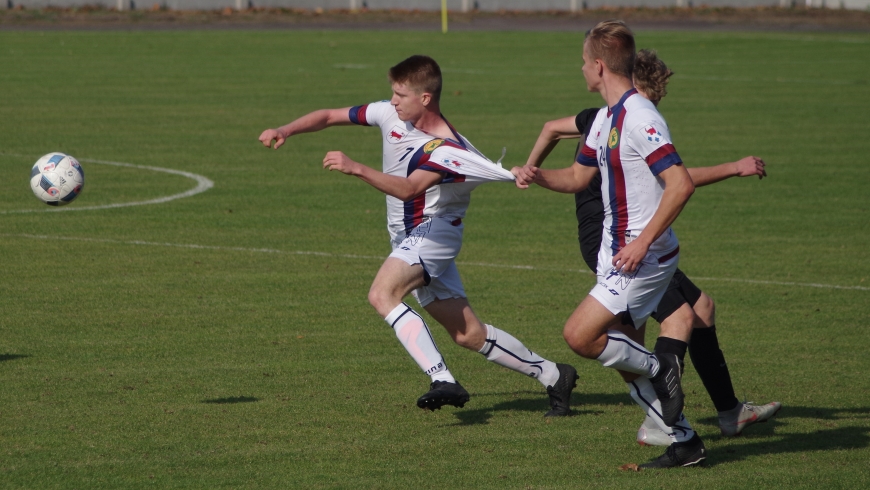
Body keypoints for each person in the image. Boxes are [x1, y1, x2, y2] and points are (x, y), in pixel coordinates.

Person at [259, 55, 578, 417]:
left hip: (434, 233)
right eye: (392, 93)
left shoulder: (448, 149)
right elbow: (330, 115)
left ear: (424, 98)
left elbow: (409, 189)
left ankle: (442, 379)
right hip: (407, 238)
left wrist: (357, 168)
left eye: (400, 95)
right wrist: (285, 129)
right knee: (467, 334)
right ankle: (554, 375)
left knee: (383, 293)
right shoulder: (389, 114)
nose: (392, 101)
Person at [525, 49, 781, 449]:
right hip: (618, 243)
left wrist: (532, 167)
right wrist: (733, 167)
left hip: (628, 240)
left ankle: (722, 412)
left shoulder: (611, 116)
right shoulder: (613, 119)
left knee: (691, 312)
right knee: (675, 319)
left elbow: (551, 129)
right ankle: (664, 418)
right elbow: (676, 179)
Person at [514, 20, 704, 468]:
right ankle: (686, 442)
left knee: (580, 335)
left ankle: (664, 367)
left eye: (583, 62)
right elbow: (579, 177)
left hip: (642, 258)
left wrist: (641, 244)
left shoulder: (640, 117)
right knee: (624, 358)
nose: (580, 69)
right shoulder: (603, 119)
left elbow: (680, 184)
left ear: (599, 66)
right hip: (613, 253)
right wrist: (537, 175)